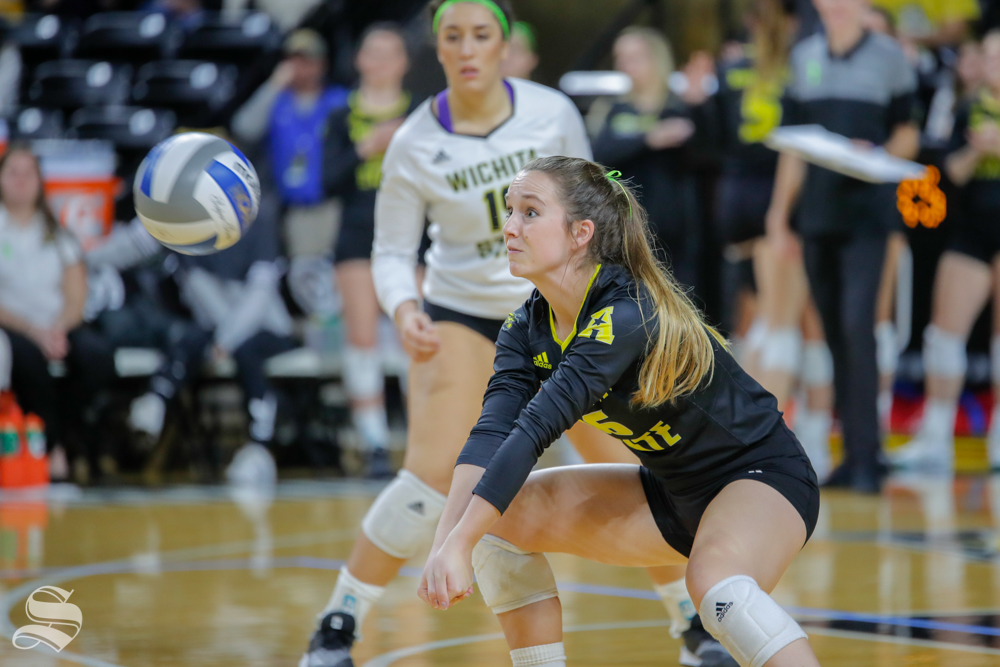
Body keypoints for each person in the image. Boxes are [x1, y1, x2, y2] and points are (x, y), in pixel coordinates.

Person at [300, 4, 733, 667]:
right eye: (453, 36)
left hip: (559, 310)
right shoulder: (415, 139)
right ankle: (339, 619)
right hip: (461, 315)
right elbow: (390, 251)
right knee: (431, 476)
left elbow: (594, 213)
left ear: (507, 46)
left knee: (630, 468)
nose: (468, 48)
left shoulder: (551, 112)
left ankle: (692, 627)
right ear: (437, 51)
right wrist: (401, 306)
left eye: (482, 35)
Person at [418, 156, 821, 667]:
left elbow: (535, 428)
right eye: (510, 211)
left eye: (530, 213)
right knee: (497, 523)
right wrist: (446, 542)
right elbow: (492, 432)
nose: (510, 227)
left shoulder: (627, 312)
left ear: (581, 232)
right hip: (670, 493)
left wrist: (459, 539)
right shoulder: (525, 327)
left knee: (714, 585)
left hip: (760, 479)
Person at [766, 0, 921, 493]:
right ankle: (851, 455)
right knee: (834, 332)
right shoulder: (805, 56)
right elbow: (792, 145)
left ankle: (868, 456)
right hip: (818, 215)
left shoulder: (888, 57)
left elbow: (908, 133)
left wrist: (877, 155)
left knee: (859, 325)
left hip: (868, 216)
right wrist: (779, 213)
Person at [709, 0, 835, 479]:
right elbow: (798, 148)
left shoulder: (732, 67)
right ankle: (785, 444)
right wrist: (781, 215)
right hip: (778, 201)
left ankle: (781, 437)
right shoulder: (802, 66)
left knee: (762, 323)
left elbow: (714, 135)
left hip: (736, 196)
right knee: (795, 324)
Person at [893, 31, 1000, 472]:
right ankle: (935, 435)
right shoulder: (967, 106)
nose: (991, 61)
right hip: (972, 228)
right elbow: (947, 174)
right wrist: (978, 151)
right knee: (943, 333)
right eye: (987, 53)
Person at [323, 23, 414, 478]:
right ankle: (373, 442)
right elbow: (323, 183)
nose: (380, 62)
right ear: (360, 60)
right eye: (372, 52)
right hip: (357, 236)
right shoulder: (341, 116)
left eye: (389, 52)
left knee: (418, 339)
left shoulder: (419, 112)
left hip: (414, 236)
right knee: (362, 341)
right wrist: (367, 147)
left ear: (404, 62)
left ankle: (424, 442)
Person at [0, 142, 116, 482]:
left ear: (40, 180)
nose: (21, 181)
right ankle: (49, 447)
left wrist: (59, 328)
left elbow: (76, 292)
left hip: (56, 324)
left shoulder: (57, 232)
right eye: (12, 173)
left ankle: (64, 435)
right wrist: (33, 331)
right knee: (28, 360)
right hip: (12, 325)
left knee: (96, 357)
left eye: (28, 173)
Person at [589, 27, 702, 288]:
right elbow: (596, 156)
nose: (625, 65)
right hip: (625, 225)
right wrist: (648, 139)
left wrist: (700, 109)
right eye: (621, 58)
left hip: (675, 227)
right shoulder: (611, 108)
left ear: (656, 59)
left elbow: (705, 156)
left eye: (634, 57)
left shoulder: (679, 106)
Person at [232, 28, 349, 260]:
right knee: (306, 277)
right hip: (294, 209)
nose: (300, 68)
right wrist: (275, 84)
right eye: (293, 61)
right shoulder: (277, 102)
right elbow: (244, 128)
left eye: (307, 61)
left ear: (321, 64)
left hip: (336, 205)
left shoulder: (338, 100)